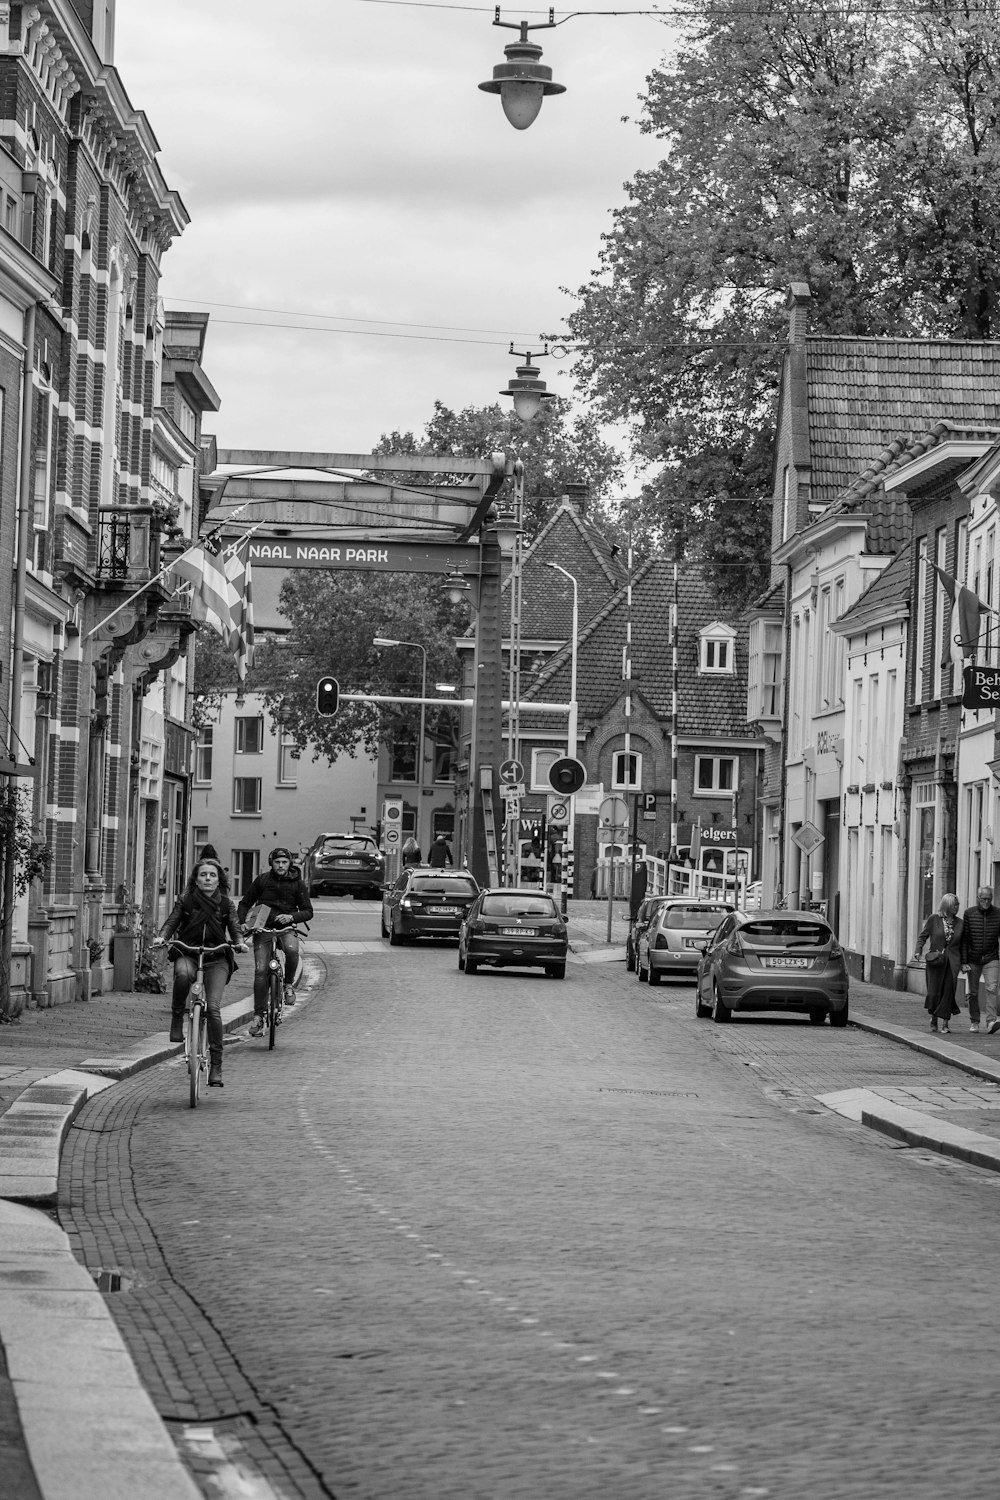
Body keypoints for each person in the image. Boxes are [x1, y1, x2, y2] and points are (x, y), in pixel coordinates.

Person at [154, 858, 245, 1087]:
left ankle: (216, 1066)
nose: (207, 879)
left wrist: (239, 942)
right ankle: (177, 1017)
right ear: (196, 878)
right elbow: (172, 921)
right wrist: (162, 937)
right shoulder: (186, 900)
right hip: (188, 952)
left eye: (212, 875)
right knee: (183, 975)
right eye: (203, 875)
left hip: (217, 957)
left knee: (213, 1008)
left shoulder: (226, 904)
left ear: (218, 880)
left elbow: (234, 927)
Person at [237, 847, 313, 1035]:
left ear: (289, 864)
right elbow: (245, 903)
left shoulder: (298, 884)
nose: (280, 865)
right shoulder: (262, 881)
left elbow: (308, 911)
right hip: (262, 928)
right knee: (260, 971)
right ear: (271, 863)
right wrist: (242, 923)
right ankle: (258, 1016)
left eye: (284, 862)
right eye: (277, 862)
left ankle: (288, 985)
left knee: (292, 950)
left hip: (286, 928)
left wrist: (292, 917)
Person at [914, 893, 964, 1035]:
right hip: (935, 962)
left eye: (958, 904)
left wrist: (964, 962)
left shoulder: (960, 923)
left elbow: (964, 945)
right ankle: (934, 1017)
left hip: (952, 963)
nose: (957, 907)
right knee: (934, 992)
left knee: (948, 991)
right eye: (955, 904)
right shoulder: (933, 919)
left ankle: (945, 1023)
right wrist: (918, 951)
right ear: (947, 905)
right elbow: (923, 936)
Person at [960, 884, 1000, 1034]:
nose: (986, 902)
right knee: (973, 992)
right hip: (973, 958)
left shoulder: (998, 914)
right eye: (983, 899)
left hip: (992, 957)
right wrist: (964, 961)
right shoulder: (969, 913)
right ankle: (975, 1021)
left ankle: (990, 1022)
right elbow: (964, 939)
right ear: (978, 898)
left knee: (992, 988)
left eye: (989, 899)